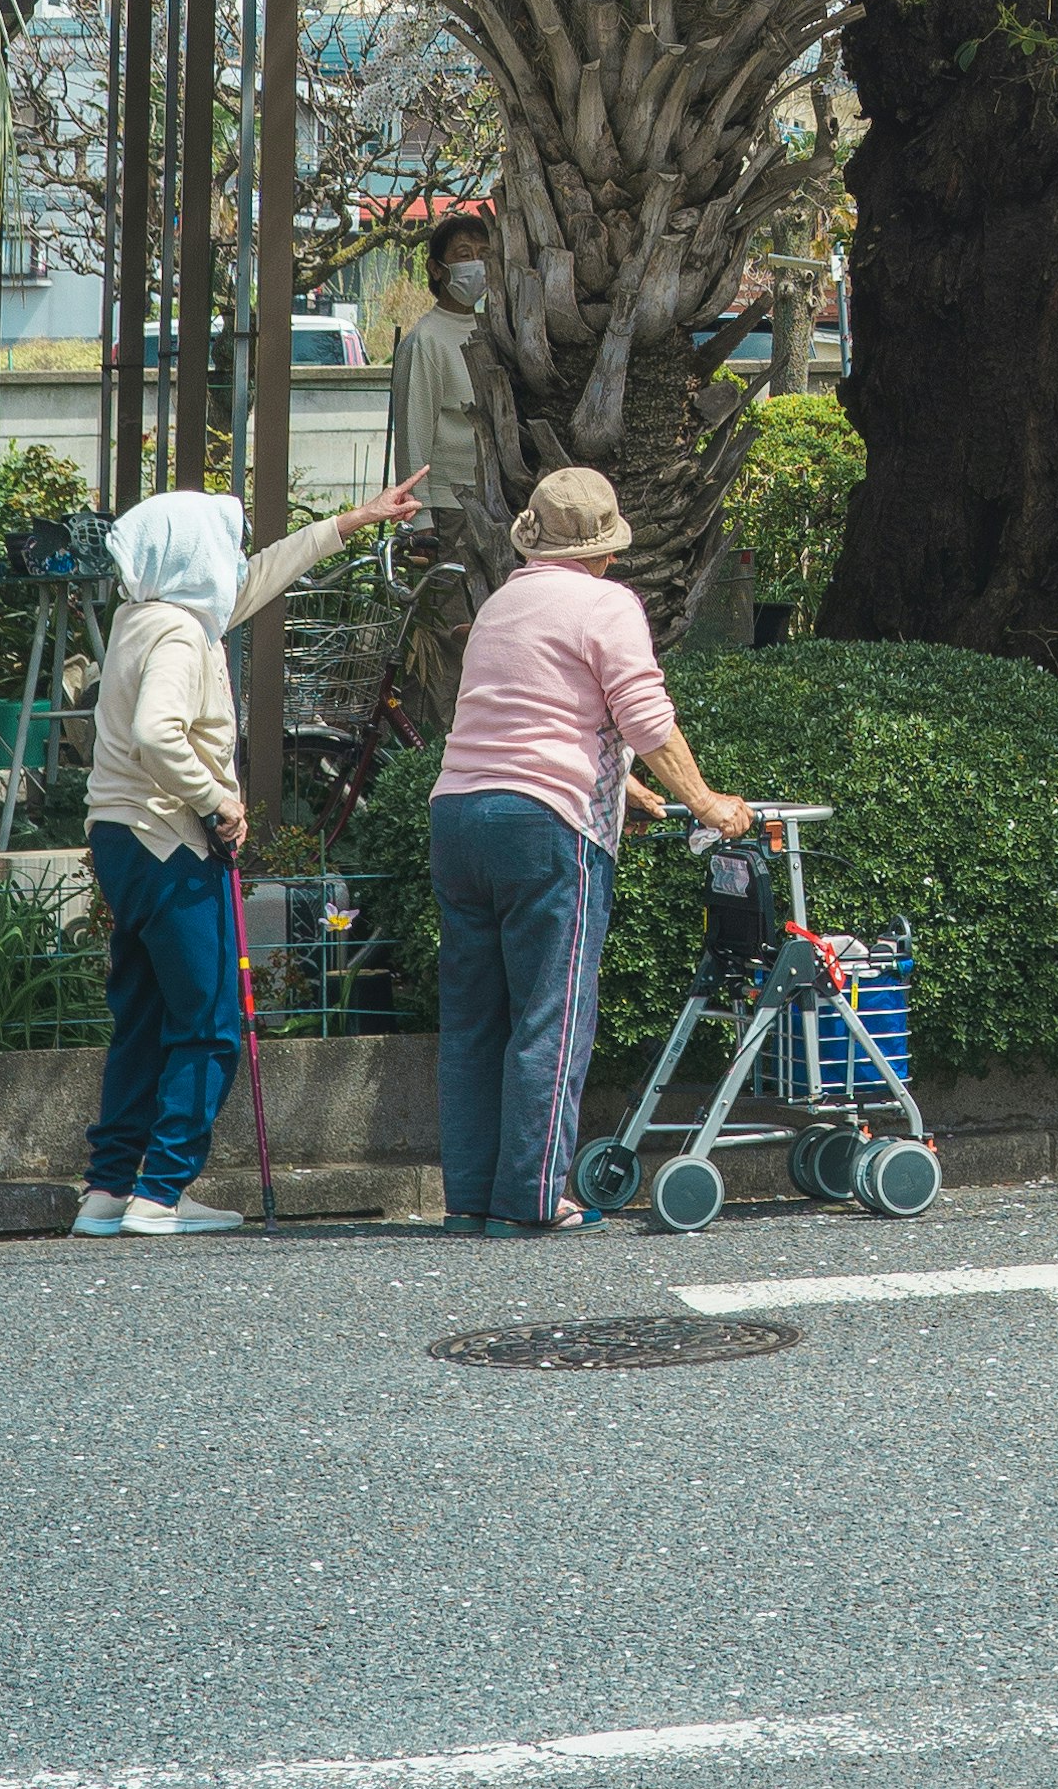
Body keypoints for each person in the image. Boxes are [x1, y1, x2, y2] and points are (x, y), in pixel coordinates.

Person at [78, 476, 422, 1237]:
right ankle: (161, 1192)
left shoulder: (150, 615)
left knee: (142, 1013)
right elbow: (156, 731)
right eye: (221, 546)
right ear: (194, 557)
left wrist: (350, 522)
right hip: (169, 838)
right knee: (210, 1020)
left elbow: (261, 575)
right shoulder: (178, 634)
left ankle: (109, 1188)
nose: (233, 558)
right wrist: (218, 801)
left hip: (119, 834)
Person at [431, 464, 755, 1234]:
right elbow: (644, 716)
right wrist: (705, 800)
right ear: (603, 547)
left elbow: (528, 717)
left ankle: (472, 1197)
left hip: (458, 815)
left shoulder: (503, 601)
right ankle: (534, 1200)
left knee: (476, 1020)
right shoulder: (608, 603)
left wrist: (631, 791)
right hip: (548, 829)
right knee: (553, 1012)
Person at [382, 221, 493, 546]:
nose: (476, 264)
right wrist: (421, 517)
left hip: (494, 499)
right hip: (448, 507)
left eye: (484, 255)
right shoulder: (425, 340)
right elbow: (413, 432)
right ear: (436, 269)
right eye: (464, 254)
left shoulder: (494, 330)